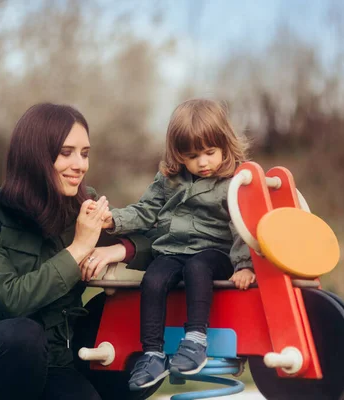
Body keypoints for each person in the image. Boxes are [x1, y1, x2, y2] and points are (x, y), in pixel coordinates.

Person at [0, 103, 154, 400]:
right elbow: (14, 299)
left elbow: (155, 241)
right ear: (35, 156)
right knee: (23, 335)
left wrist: (118, 249)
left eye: (85, 153)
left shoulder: (82, 207)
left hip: (56, 361)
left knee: (137, 309)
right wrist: (79, 247)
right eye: (67, 152)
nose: (80, 165)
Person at [103, 98, 256, 390]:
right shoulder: (169, 179)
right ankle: (152, 354)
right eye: (192, 156)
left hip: (214, 254)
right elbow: (145, 210)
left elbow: (242, 226)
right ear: (179, 155)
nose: (202, 162)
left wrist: (244, 265)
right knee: (154, 278)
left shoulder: (235, 179)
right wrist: (113, 220)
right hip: (173, 251)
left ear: (225, 144)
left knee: (197, 268)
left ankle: (196, 340)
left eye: (209, 152)